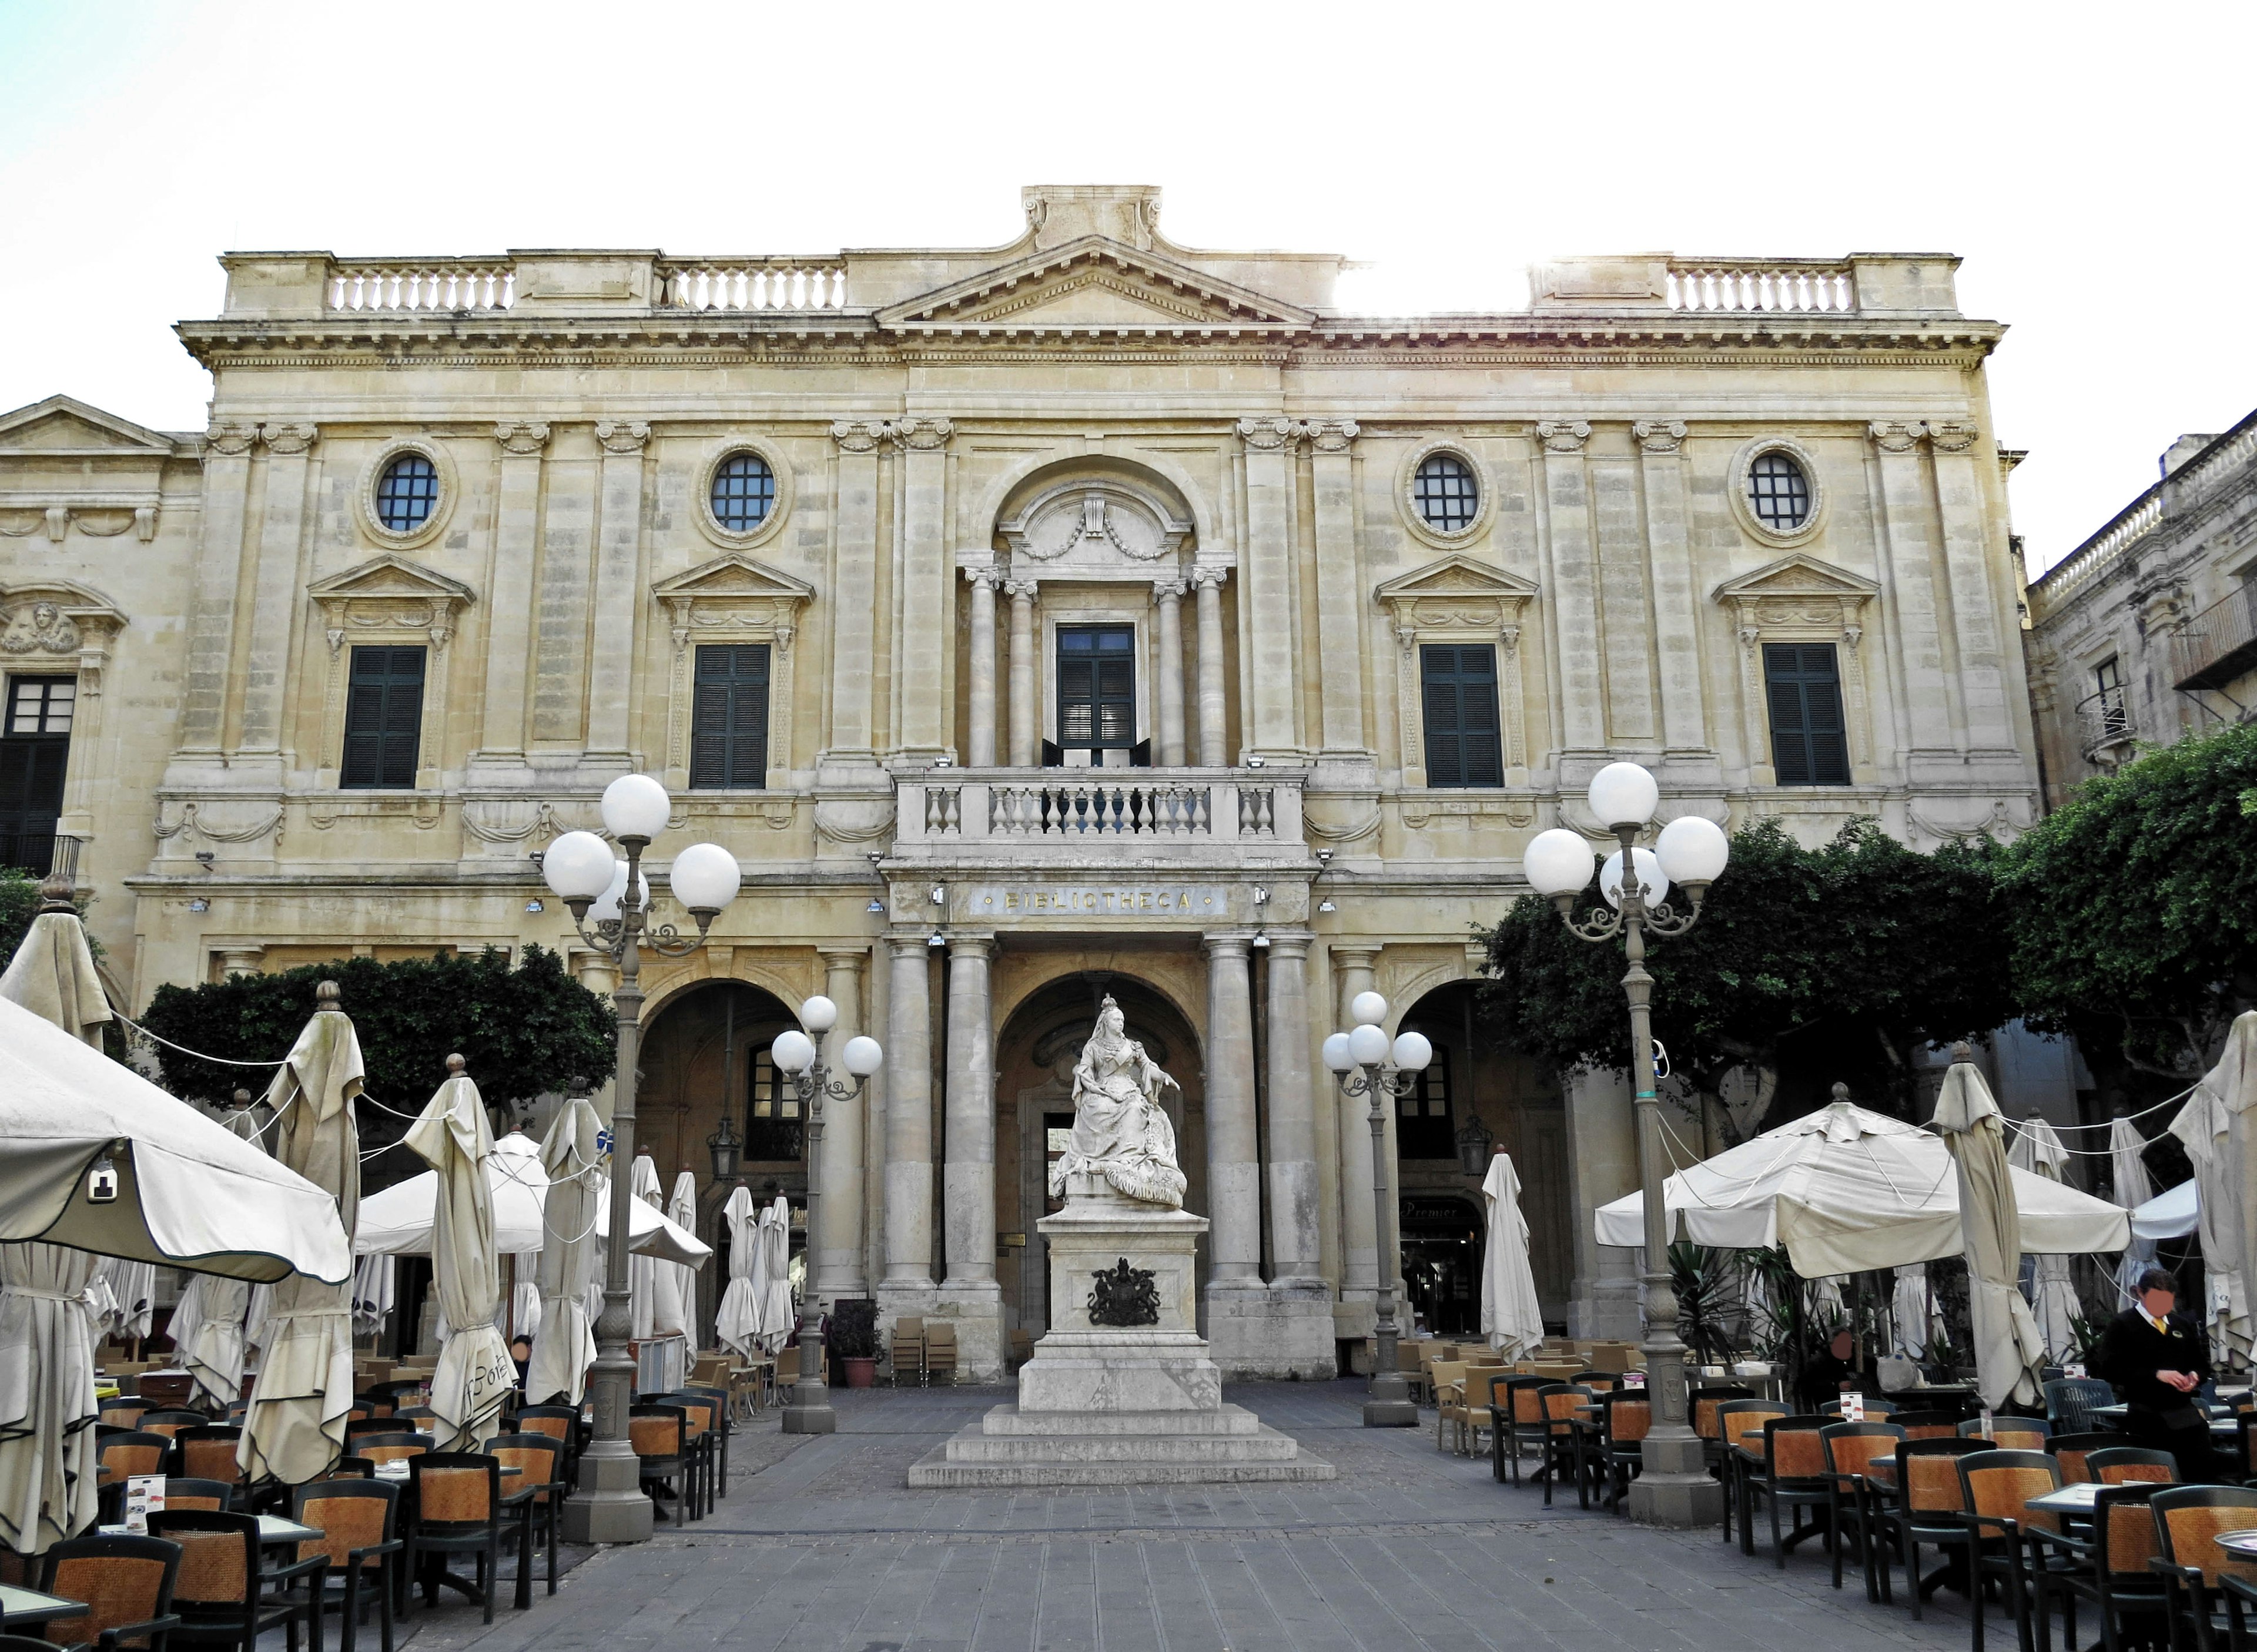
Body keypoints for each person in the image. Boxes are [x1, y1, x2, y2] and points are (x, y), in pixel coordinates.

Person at [2094, 1268, 2215, 1482]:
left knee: (2200, 1476)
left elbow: (2202, 1365)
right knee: (2157, 1480)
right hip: (2147, 1418)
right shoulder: (2123, 1325)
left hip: (2186, 1416)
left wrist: (2195, 1376)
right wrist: (2156, 1375)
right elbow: (2109, 1369)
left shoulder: (2181, 1325)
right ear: (2140, 1293)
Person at [1797, 1327, 1867, 1412]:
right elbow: (1809, 1387)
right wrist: (1836, 1385)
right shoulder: (1818, 1361)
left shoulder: (1858, 1358)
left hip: (1857, 1405)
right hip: (1829, 1406)